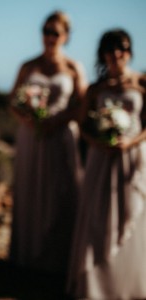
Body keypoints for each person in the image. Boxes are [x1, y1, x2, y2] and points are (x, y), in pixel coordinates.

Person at [67, 29, 146, 299]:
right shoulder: (96, 89)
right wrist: (98, 142)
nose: (116, 54)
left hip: (132, 157)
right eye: (111, 49)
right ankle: (97, 285)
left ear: (130, 51)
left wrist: (132, 142)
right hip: (101, 158)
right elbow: (82, 124)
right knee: (98, 216)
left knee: (131, 214)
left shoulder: (142, 83)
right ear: (103, 54)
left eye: (122, 48)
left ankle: (130, 283)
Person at [8, 11, 87, 276]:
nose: (49, 37)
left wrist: (57, 121)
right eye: (46, 31)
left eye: (55, 32)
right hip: (32, 138)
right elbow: (13, 101)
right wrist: (28, 119)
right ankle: (29, 257)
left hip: (61, 137)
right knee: (30, 191)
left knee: (61, 193)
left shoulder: (74, 68)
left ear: (65, 36)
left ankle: (59, 260)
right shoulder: (28, 66)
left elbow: (82, 105)